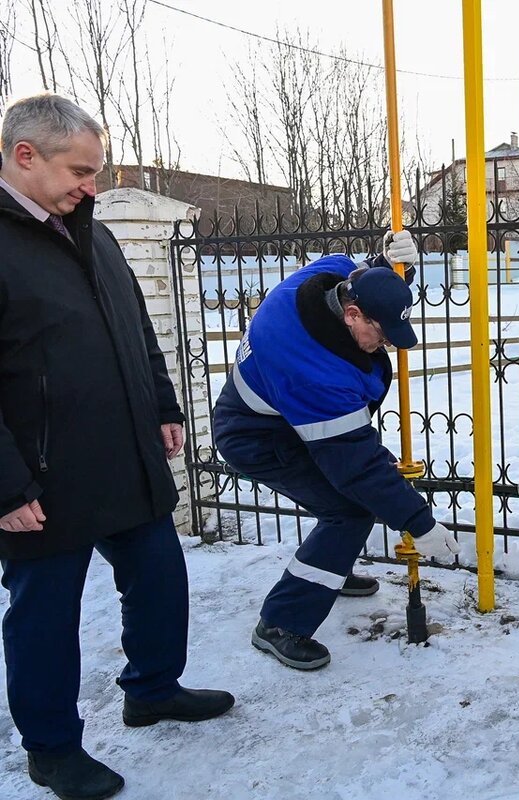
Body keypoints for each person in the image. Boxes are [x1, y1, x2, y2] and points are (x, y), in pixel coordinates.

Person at [0, 93, 234, 800]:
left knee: (160, 577)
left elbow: (135, 326)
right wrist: (6, 488)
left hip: (124, 452)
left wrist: (162, 405)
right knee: (45, 614)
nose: (90, 185)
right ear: (24, 155)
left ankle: (153, 689)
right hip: (41, 473)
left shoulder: (90, 231)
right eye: (80, 169)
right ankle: (51, 749)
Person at [213, 232, 460, 671]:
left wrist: (386, 262)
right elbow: (357, 466)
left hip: (288, 417)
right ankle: (280, 624)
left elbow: (360, 275)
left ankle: (331, 566)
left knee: (349, 505)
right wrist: (418, 523)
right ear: (351, 314)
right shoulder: (311, 372)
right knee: (348, 510)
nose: (384, 345)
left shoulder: (327, 276)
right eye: (382, 334)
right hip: (258, 436)